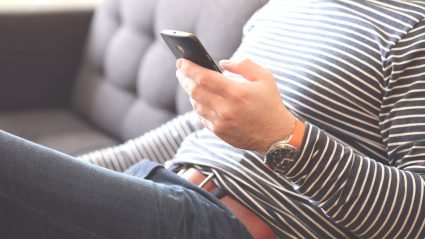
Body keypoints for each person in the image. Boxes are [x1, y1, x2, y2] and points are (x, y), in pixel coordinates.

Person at [1, 0, 425, 238]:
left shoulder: (413, 30)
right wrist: (69, 176)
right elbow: (201, 126)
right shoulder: (285, 8)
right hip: (155, 186)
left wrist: (282, 137)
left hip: (219, 226)